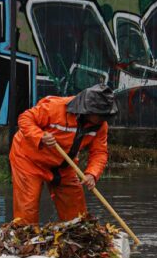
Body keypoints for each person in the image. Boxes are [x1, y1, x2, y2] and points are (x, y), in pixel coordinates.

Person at [9, 83, 118, 224]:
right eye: (102, 114)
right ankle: (25, 241)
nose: (105, 119)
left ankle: (74, 242)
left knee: (77, 217)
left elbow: (99, 152)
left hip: (64, 166)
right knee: (27, 211)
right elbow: (25, 118)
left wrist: (92, 174)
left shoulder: (100, 125)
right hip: (29, 160)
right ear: (89, 110)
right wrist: (40, 136)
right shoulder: (56, 107)